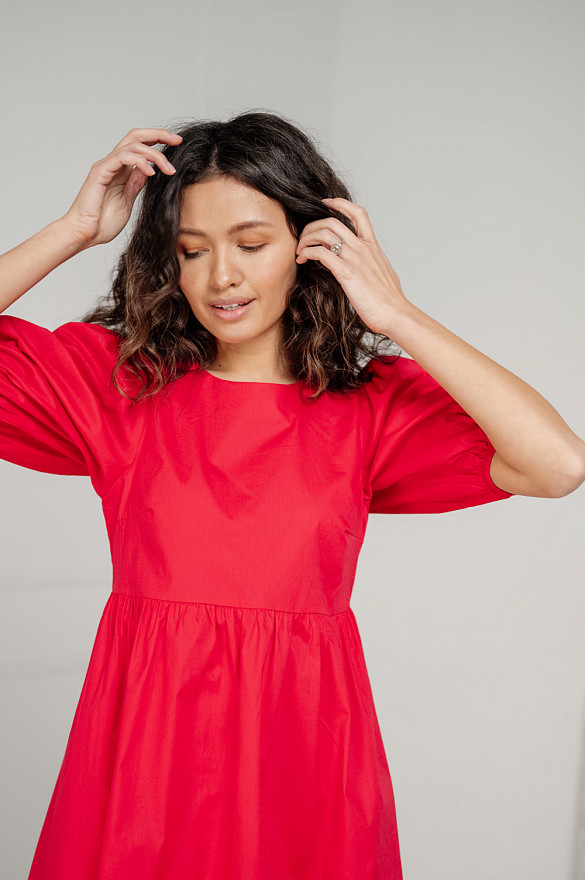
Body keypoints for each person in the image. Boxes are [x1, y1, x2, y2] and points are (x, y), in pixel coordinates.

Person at [1, 110, 584, 880]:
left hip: (304, 753)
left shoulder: (367, 408)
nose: (222, 277)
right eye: (192, 250)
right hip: (144, 756)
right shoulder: (119, 384)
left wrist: (397, 314)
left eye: (250, 245)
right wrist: (73, 230)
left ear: (308, 248)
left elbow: (557, 465)